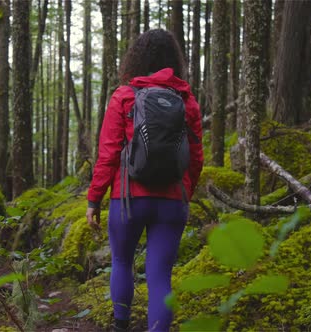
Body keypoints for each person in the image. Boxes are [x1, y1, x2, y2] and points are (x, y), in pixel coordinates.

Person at [86, 29, 204, 332]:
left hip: (127, 200)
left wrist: (94, 199)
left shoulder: (124, 96)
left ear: (136, 59)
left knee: (122, 263)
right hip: (171, 201)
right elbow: (196, 155)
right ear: (174, 60)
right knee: (160, 276)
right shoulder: (186, 100)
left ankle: (121, 326)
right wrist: (185, 191)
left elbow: (108, 154)